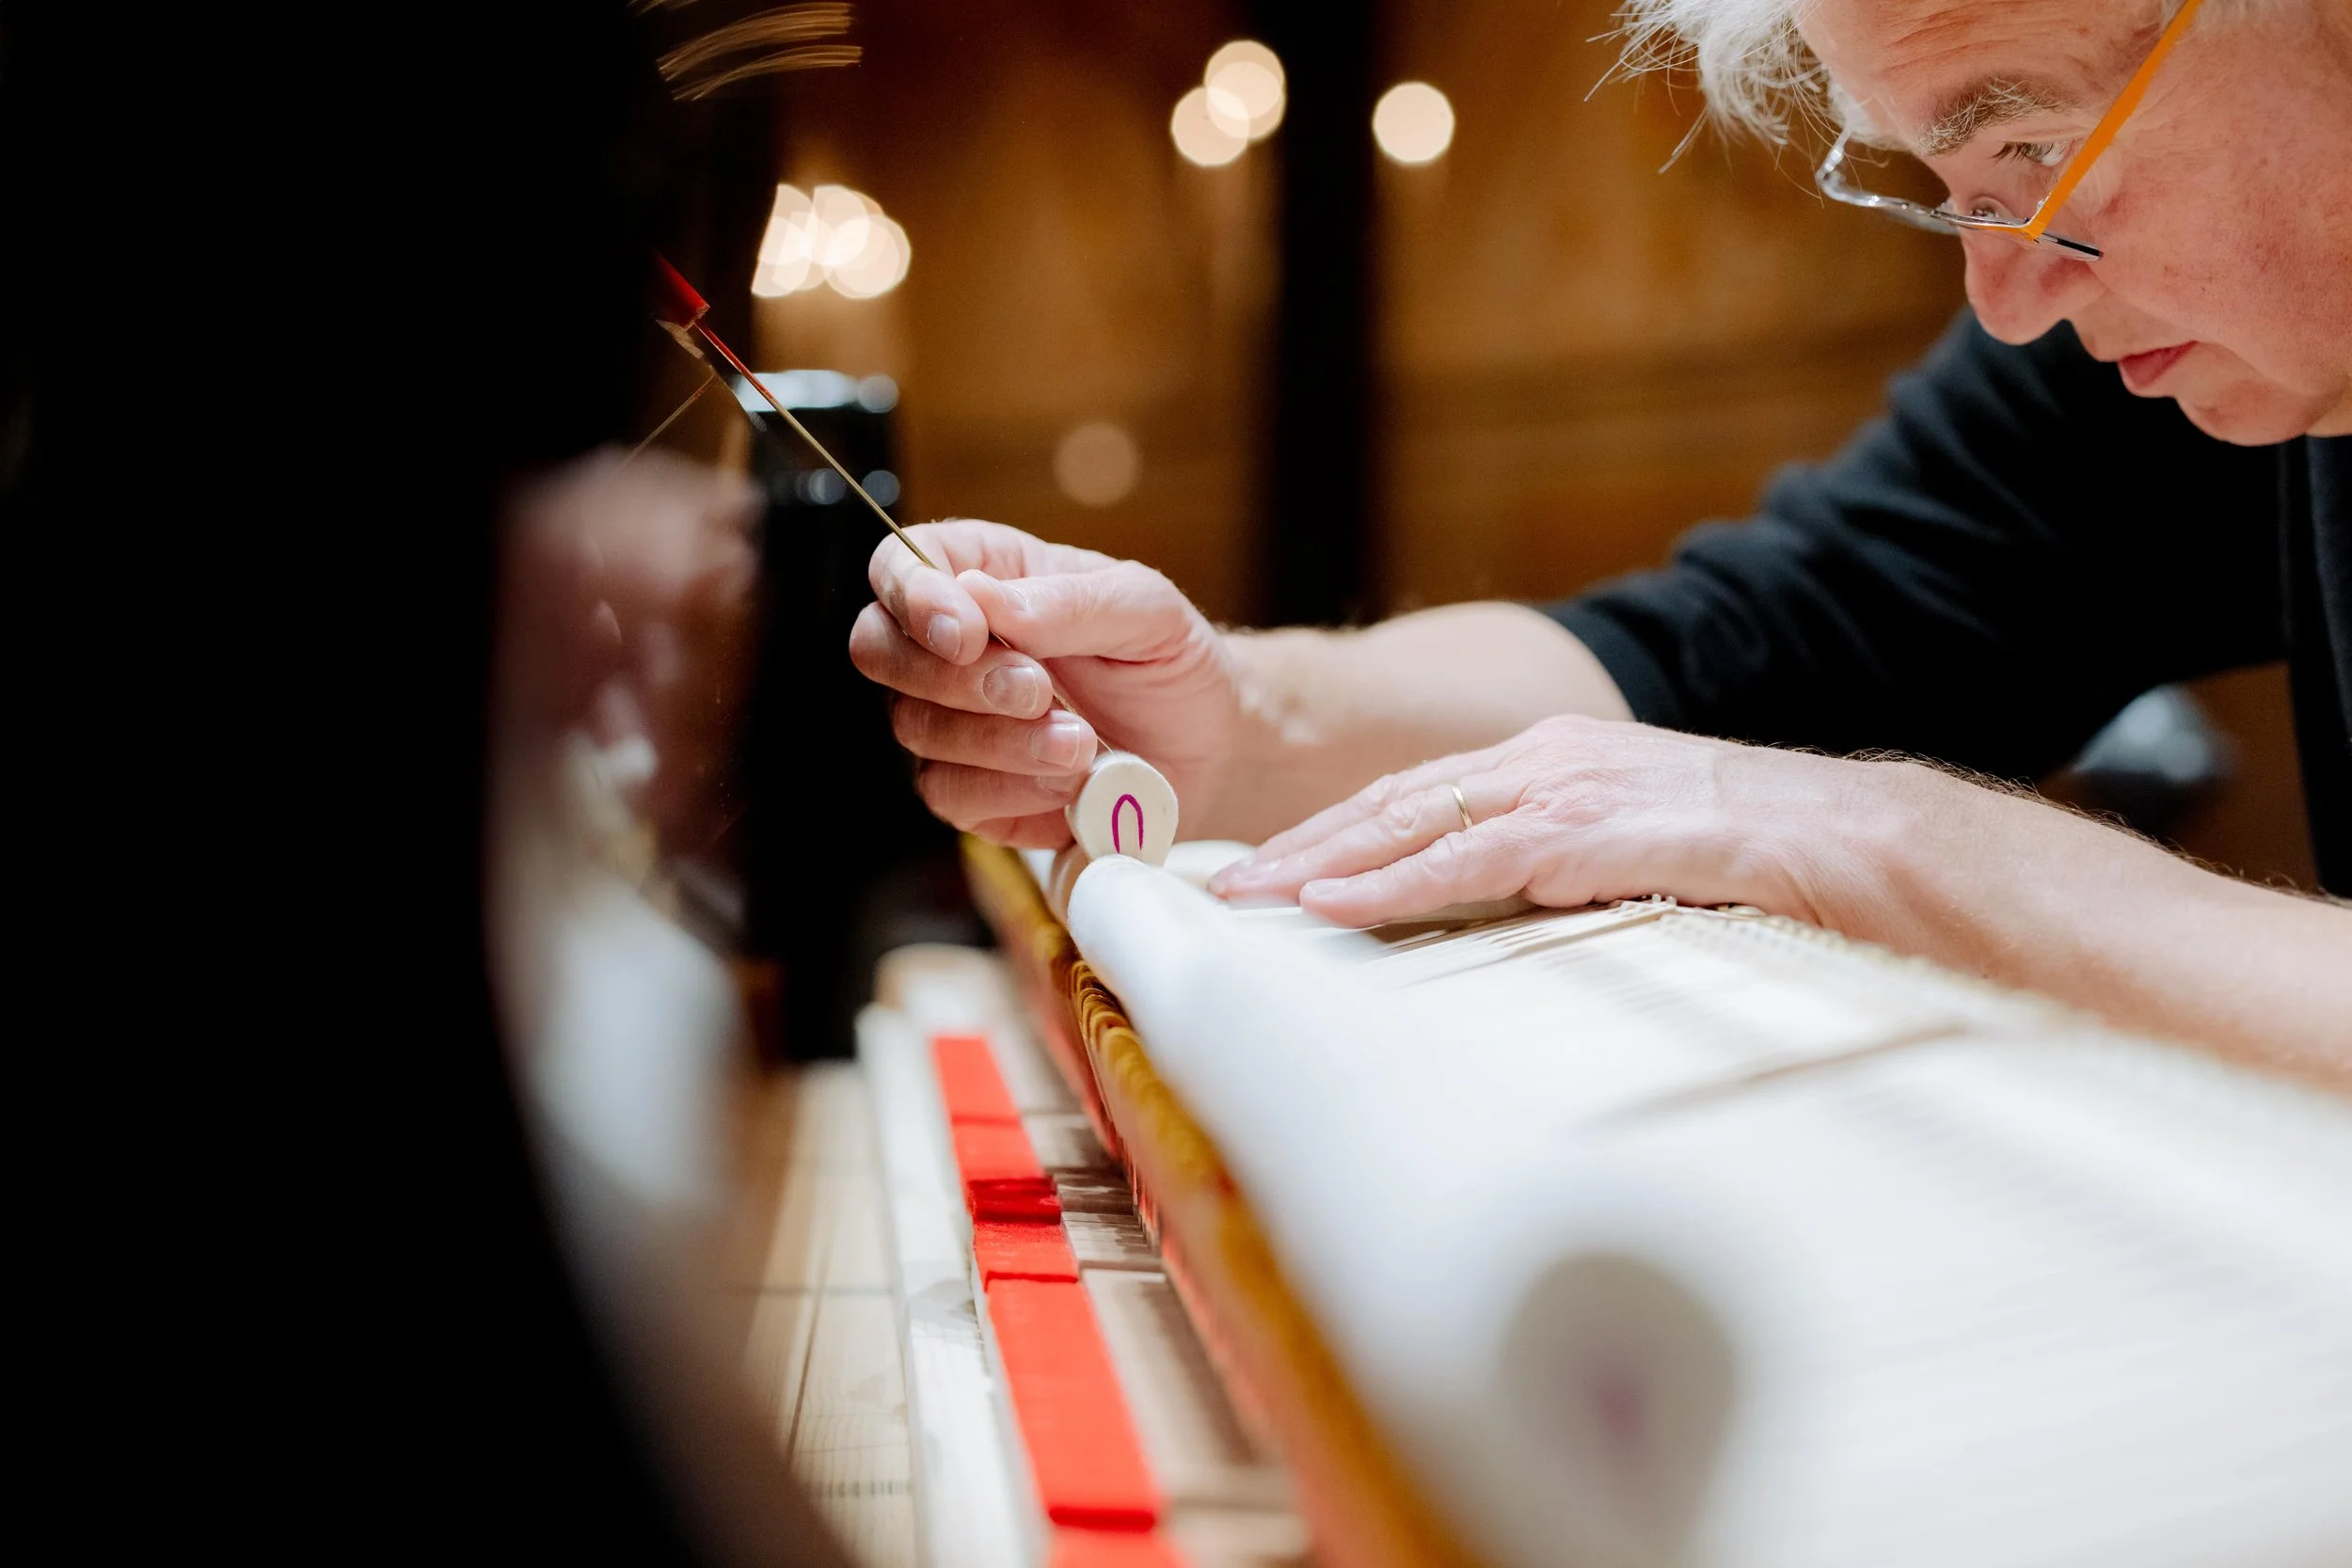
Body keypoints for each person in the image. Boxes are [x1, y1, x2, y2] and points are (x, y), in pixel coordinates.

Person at [849, 0, 2351, 1078]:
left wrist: (1889, 840)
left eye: (2035, 146)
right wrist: (1244, 717)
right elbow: (1786, 625)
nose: (2008, 303)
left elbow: (1806, 781)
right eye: (1954, 193)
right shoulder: (2178, 351)